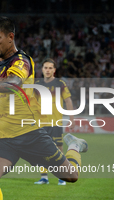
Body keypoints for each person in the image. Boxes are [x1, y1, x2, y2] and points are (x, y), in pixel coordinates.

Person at [0, 17, 88, 200]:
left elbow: (13, 83)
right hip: (1, 137)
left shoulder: (22, 61)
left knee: (71, 176)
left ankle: (74, 146)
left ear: (10, 37)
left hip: (28, 134)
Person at [34, 58, 75, 186]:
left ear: (54, 70)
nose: (47, 70)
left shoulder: (60, 83)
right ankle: (44, 177)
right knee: (41, 150)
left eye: (50, 68)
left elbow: (68, 101)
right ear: (42, 69)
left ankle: (62, 177)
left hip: (56, 122)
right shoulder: (38, 84)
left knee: (58, 150)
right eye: (45, 67)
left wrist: (72, 119)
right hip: (41, 123)